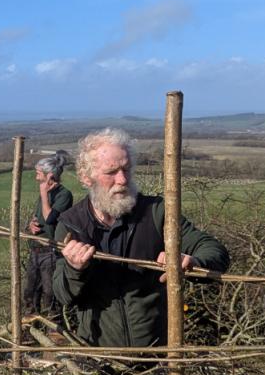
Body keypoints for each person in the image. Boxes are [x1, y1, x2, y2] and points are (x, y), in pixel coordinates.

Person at [54, 128, 230, 348]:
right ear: (86, 177)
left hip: (157, 353)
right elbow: (62, 295)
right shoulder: (71, 224)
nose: (122, 179)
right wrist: (74, 268)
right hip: (99, 355)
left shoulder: (156, 213)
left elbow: (214, 250)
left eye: (127, 169)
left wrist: (192, 261)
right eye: (111, 172)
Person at [23, 151, 73, 315]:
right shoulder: (45, 194)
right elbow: (38, 217)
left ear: (49, 175)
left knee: (49, 294)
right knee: (30, 292)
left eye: (38, 174)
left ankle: (54, 331)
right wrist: (31, 225)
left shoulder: (64, 194)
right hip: (36, 249)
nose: (37, 178)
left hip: (50, 251)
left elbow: (50, 218)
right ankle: (30, 329)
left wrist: (44, 193)